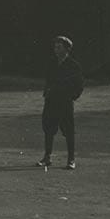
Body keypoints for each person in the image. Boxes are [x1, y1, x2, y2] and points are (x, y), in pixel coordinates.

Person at [38, 35, 85, 170]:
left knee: (68, 131)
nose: (56, 50)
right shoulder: (52, 63)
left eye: (59, 47)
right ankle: (47, 157)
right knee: (48, 128)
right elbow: (48, 79)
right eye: (55, 47)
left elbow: (79, 85)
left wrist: (71, 97)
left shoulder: (73, 65)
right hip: (51, 100)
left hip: (64, 102)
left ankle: (71, 160)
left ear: (67, 49)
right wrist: (47, 92)